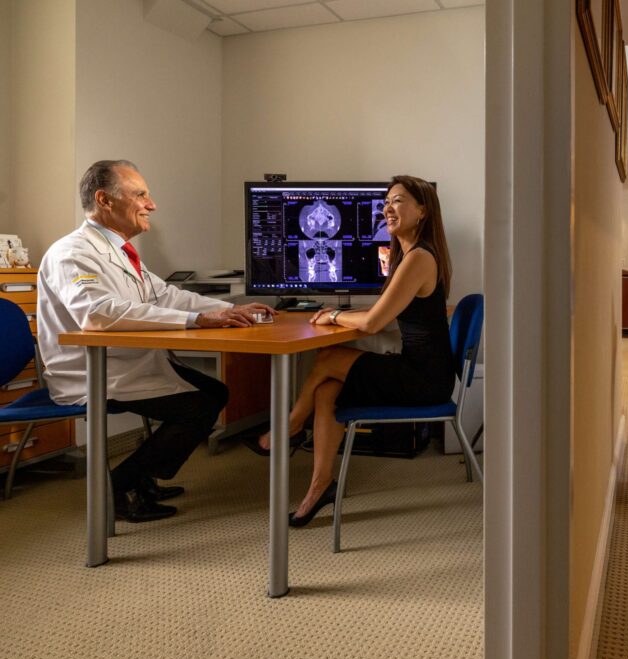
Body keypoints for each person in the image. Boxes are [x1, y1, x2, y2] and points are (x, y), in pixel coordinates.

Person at [37, 160, 276, 522]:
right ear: (104, 199)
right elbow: (97, 312)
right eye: (141, 195)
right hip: (91, 371)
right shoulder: (71, 253)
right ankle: (117, 485)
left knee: (215, 394)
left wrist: (229, 309)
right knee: (198, 407)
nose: (152, 204)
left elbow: (167, 296)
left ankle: (141, 477)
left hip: (129, 363)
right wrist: (198, 321)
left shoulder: (121, 252)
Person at [247, 175, 456, 527]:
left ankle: (291, 427)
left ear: (422, 210)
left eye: (399, 200)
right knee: (328, 390)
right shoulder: (410, 254)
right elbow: (384, 316)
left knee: (328, 357)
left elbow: (374, 324)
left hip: (424, 378)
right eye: (387, 201)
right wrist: (336, 316)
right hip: (421, 370)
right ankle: (320, 486)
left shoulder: (419, 258)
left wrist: (335, 316)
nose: (389, 207)